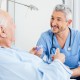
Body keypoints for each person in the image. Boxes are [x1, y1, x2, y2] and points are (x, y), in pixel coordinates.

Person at [0, 9, 72, 80]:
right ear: (2, 31)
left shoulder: (9, 48)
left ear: (68, 23)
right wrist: (58, 61)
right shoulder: (3, 59)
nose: (15, 26)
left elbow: (24, 66)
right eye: (12, 23)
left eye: (58, 19)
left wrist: (30, 56)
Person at [32, 4, 80, 80]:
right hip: (53, 77)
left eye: (58, 19)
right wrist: (37, 55)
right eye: (52, 18)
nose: (53, 23)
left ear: (69, 22)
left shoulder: (78, 37)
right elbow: (37, 63)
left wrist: (65, 74)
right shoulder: (45, 37)